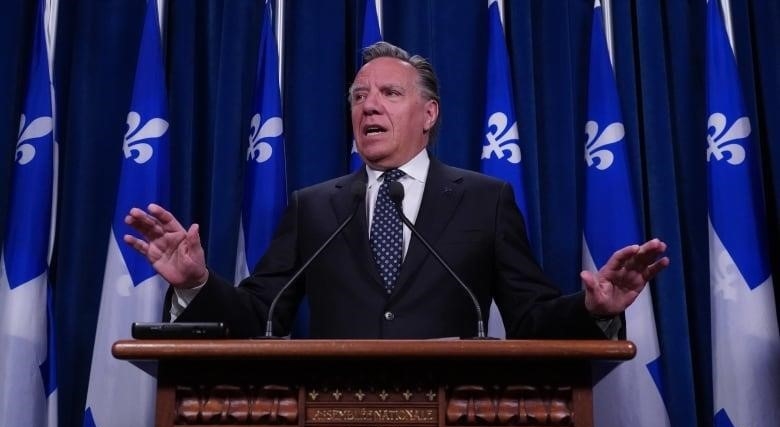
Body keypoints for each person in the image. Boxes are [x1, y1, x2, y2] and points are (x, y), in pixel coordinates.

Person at [124, 41, 669, 339]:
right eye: (359, 95)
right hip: (333, 414)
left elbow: (530, 318)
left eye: (388, 92)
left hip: (454, 413)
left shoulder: (485, 200)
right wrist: (198, 283)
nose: (368, 106)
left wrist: (597, 311)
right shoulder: (315, 208)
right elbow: (261, 315)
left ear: (428, 114)